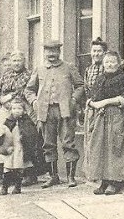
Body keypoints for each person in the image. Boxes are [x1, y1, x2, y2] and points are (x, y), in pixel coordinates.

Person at [24, 39, 85, 188]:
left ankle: (71, 177)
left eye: (54, 51)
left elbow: (80, 86)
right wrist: (34, 101)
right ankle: (53, 176)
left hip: (65, 110)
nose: (51, 54)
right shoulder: (39, 69)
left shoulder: (68, 67)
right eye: (48, 51)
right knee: (48, 144)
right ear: (44, 52)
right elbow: (28, 90)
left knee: (68, 142)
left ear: (59, 52)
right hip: (45, 111)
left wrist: (73, 100)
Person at [84, 51, 124, 196]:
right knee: (100, 147)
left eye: (113, 61)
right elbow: (92, 96)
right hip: (101, 117)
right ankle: (104, 181)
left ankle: (115, 182)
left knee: (115, 147)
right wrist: (93, 103)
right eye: (107, 62)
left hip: (118, 116)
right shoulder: (100, 78)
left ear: (120, 63)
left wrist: (107, 101)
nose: (110, 64)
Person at [0, 51, 32, 185]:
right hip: (5, 110)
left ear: (24, 61)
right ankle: (0, 172)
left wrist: (15, 101)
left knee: (21, 140)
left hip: (22, 110)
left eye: (19, 60)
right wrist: (3, 100)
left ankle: (26, 173)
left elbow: (28, 91)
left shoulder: (29, 75)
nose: (16, 63)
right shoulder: (5, 75)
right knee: (0, 137)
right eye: (14, 61)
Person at [0, 97, 42, 195]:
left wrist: (26, 139)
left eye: (19, 109)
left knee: (19, 168)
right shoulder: (8, 121)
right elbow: (1, 134)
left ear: (24, 110)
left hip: (21, 149)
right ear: (11, 110)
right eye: (14, 109)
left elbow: (32, 133)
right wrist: (4, 146)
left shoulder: (27, 121)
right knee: (8, 167)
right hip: (11, 149)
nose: (16, 111)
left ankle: (17, 187)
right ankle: (4, 187)